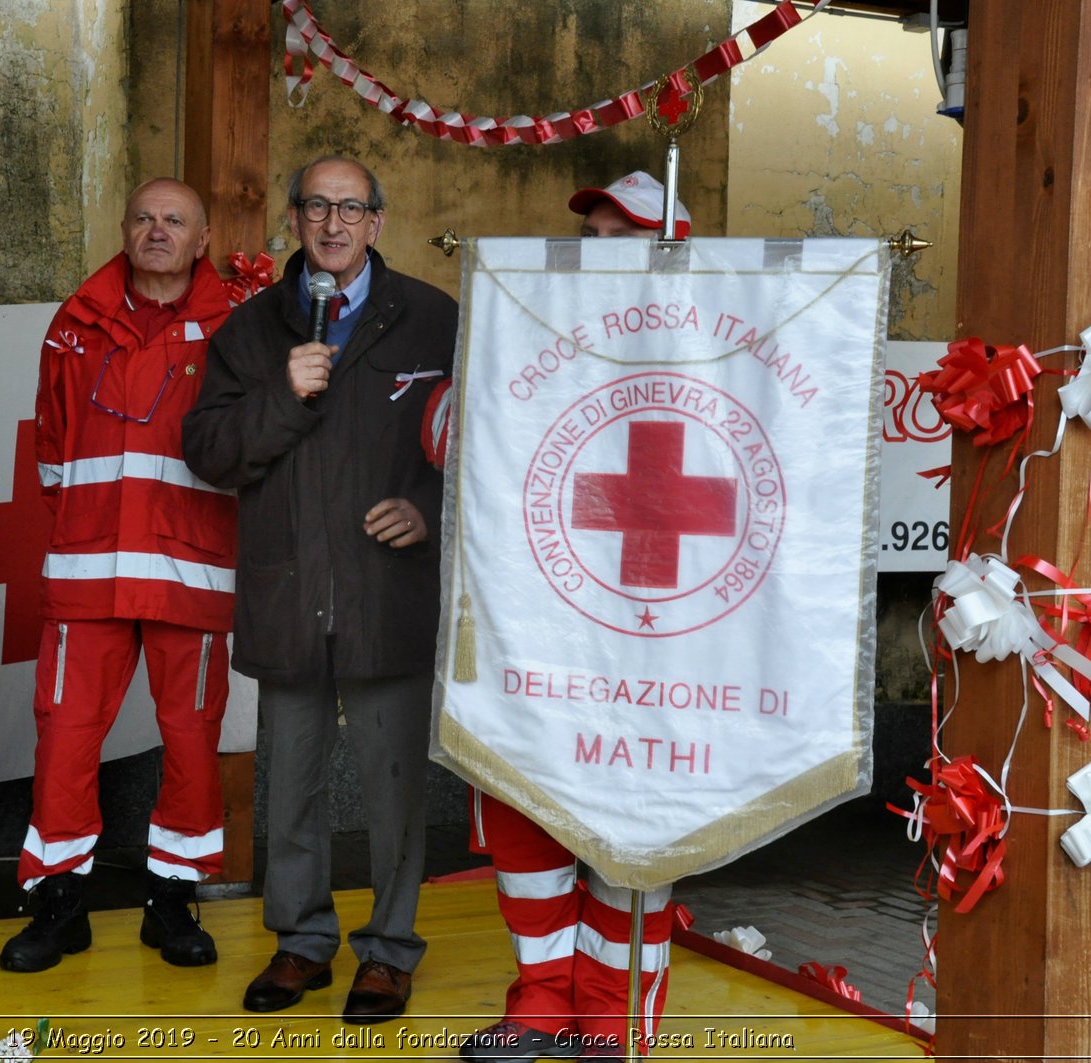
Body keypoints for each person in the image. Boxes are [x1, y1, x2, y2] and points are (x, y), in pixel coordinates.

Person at [182, 155, 457, 1024]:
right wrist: (280, 391)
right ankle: (300, 943)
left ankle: (388, 952)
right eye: (316, 207)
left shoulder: (432, 318)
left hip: (388, 589)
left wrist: (428, 511)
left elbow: (491, 441)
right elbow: (209, 449)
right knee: (290, 784)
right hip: (289, 588)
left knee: (393, 789)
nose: (333, 224)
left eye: (351, 208)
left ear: (377, 220)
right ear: (293, 219)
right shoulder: (252, 329)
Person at [443, 172, 691, 1063]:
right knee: (526, 821)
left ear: (675, 249)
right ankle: (542, 1004)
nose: (594, 254)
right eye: (588, 238)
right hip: (533, 632)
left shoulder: (714, 348)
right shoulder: (529, 336)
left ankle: (612, 1024)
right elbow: (441, 440)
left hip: (654, 644)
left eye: (619, 238)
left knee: (633, 835)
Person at [0, 178, 236, 974]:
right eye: (143, 217)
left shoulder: (237, 324)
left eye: (175, 220)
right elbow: (54, 453)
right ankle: (59, 903)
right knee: (65, 737)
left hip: (191, 568)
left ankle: (172, 901)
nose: (157, 231)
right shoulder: (75, 322)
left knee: (193, 742)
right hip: (89, 570)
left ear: (204, 239)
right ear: (124, 229)